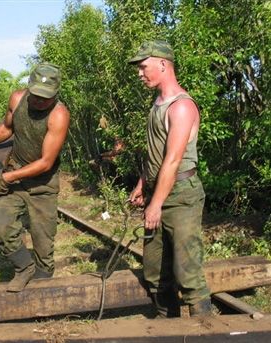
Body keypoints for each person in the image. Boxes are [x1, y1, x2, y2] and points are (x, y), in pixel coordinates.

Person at [0, 63, 70, 292]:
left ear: (55, 94)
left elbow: (45, 163)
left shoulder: (59, 116)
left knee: (43, 243)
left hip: (42, 184)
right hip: (14, 174)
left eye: (46, 98)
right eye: (36, 96)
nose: (40, 102)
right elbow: (6, 127)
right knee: (3, 226)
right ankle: (24, 268)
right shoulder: (16, 100)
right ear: (29, 88)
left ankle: (42, 292)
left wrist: (8, 177)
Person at [128, 40, 211, 317]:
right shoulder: (157, 104)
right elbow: (156, 153)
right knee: (155, 273)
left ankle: (205, 333)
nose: (139, 74)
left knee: (188, 273)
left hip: (180, 195)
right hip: (158, 191)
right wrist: (143, 184)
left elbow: (173, 160)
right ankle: (169, 328)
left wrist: (156, 204)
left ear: (163, 64)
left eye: (143, 67)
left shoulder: (181, 107)